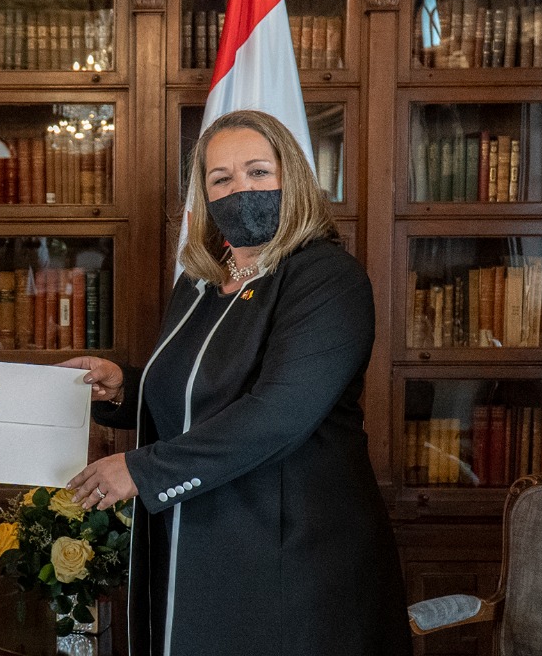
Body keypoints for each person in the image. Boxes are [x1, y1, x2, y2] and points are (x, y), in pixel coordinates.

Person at [61, 109, 412, 655]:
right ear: (203, 196)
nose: (239, 189)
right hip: (197, 539)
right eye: (220, 179)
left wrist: (141, 469)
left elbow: (279, 413)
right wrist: (125, 387)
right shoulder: (200, 282)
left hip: (291, 556)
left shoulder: (326, 277)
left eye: (257, 172)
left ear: (291, 177)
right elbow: (201, 397)